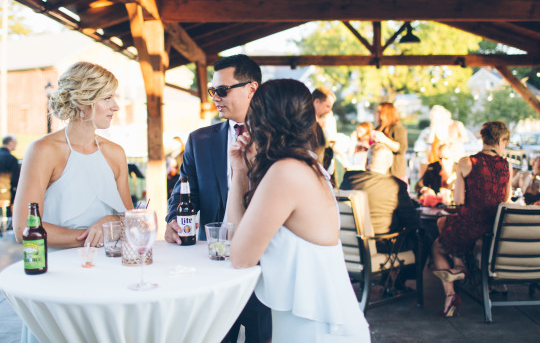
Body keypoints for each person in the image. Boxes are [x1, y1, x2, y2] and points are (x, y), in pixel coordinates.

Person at [226, 79, 370, 341]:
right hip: (313, 324)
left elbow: (239, 257)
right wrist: (239, 172)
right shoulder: (305, 165)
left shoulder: (286, 173)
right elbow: (234, 238)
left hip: (319, 330)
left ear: (259, 122)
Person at [164, 54, 270, 343]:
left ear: (252, 88)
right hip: (212, 266)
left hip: (266, 265)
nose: (215, 97)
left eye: (223, 90)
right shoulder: (199, 139)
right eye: (213, 91)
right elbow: (184, 190)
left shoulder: (275, 138)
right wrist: (174, 219)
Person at [12, 62, 133, 249]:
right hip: (57, 270)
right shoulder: (43, 150)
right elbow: (23, 228)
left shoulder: (115, 153)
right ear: (83, 101)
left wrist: (113, 220)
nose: (115, 107)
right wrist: (96, 235)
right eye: (107, 98)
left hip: (111, 265)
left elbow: (130, 222)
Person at [431, 121, 511, 318]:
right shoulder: (505, 164)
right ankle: (461, 265)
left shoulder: (467, 162)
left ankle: (451, 293)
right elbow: (506, 200)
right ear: (501, 140)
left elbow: (459, 201)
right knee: (444, 225)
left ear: (483, 138)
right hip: (493, 227)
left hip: (471, 225)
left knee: (437, 246)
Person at [340, 143, 419, 239]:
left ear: (367, 161)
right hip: (384, 244)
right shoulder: (396, 185)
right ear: (389, 164)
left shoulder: (349, 180)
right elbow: (412, 221)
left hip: (350, 241)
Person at [372, 102, 408, 182]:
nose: (376, 114)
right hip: (379, 172)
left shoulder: (397, 128)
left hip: (394, 174)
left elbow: (401, 148)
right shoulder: (378, 128)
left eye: (378, 111)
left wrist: (384, 139)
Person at [312, 87, 336, 169]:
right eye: (327, 106)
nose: (329, 111)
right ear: (317, 102)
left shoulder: (326, 121)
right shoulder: (307, 124)